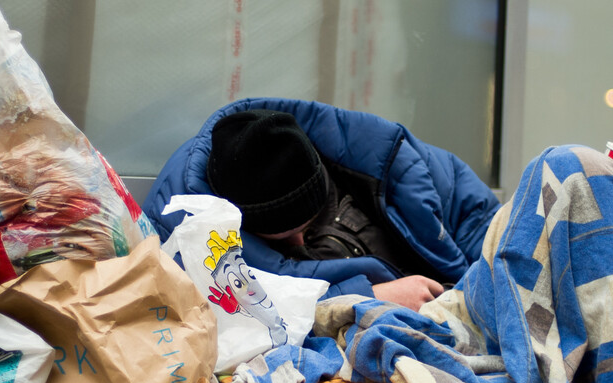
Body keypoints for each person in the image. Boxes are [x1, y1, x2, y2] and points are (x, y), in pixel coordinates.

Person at [142, 98, 502, 311]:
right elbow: (235, 321)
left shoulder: (374, 155)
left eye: (309, 224)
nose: (299, 243)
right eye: (279, 238)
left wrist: (487, 285)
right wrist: (367, 298)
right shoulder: (185, 233)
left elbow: (475, 216)